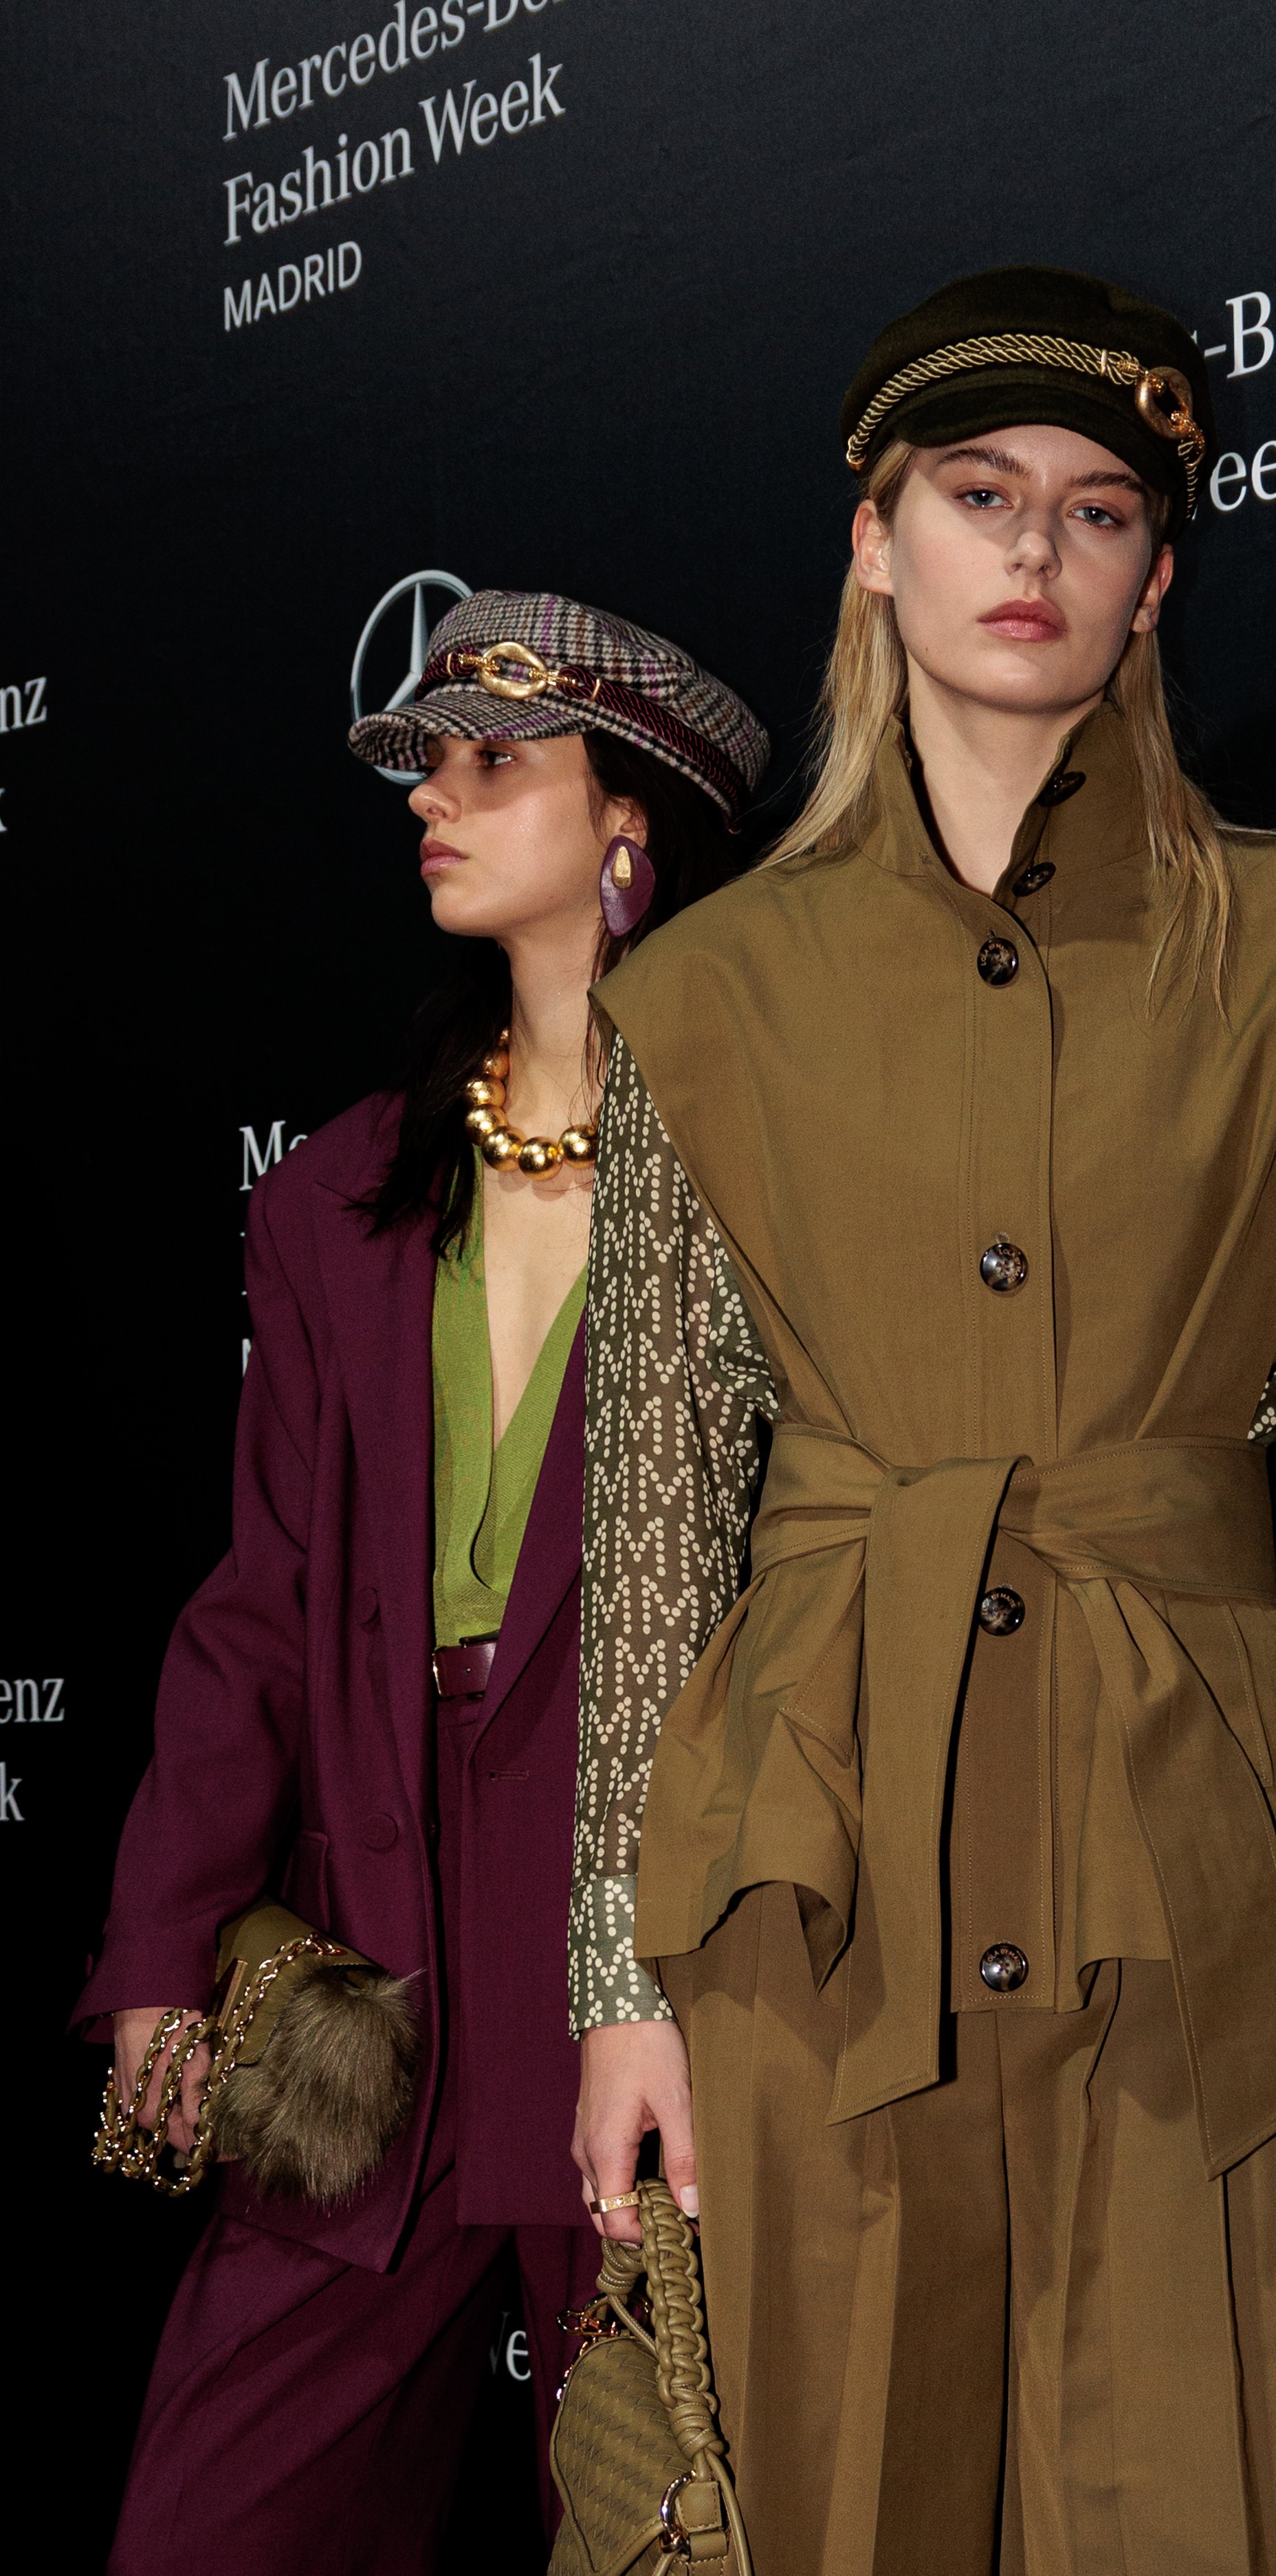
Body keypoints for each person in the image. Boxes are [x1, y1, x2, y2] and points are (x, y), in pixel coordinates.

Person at [569, 269, 1276, 2575]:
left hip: (1201, 1868)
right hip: (818, 1877)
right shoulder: (697, 999)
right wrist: (622, 1986)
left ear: (1157, 577)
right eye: (978, 496)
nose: (1034, 554)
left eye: (1095, 513)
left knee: (1210, 2490)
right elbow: (661, 1516)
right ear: (872, 538)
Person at [76, 589, 768, 2575]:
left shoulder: (764, 1169)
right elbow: (261, 1609)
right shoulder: (339, 1196)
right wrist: (167, 1940)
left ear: (630, 824)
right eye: (420, 771)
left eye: (490, 763)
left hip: (661, 1955)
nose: (430, 808)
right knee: (215, 2522)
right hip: (380, 1963)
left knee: (675, 2521)